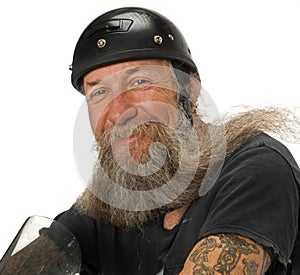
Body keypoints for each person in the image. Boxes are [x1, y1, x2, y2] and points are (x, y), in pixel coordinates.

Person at [55, 7, 300, 274]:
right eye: (99, 92)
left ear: (189, 90)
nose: (118, 113)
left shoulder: (256, 168)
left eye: (139, 82)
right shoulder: (112, 200)